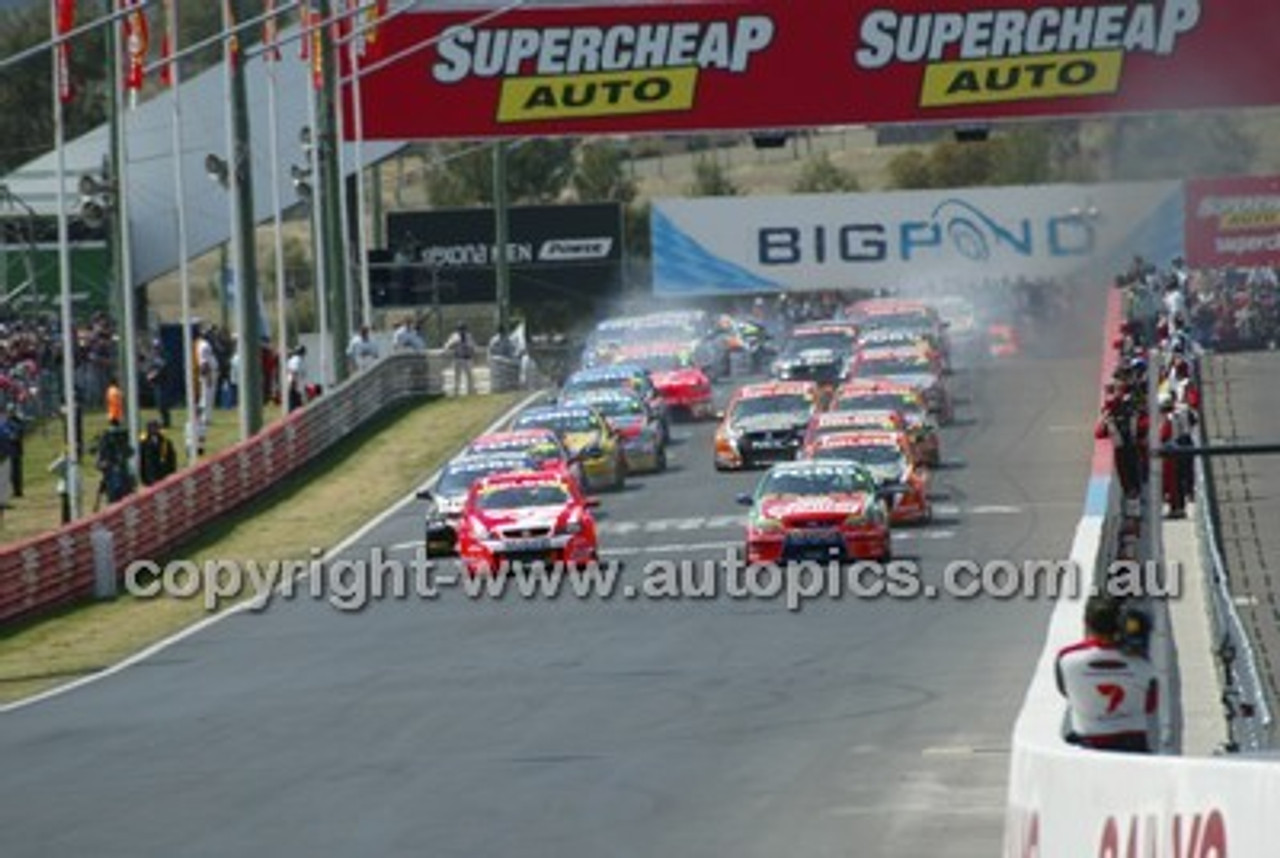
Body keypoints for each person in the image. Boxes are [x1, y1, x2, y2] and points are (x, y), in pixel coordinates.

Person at [1056, 595, 1157, 753]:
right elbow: (1150, 706)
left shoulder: (1066, 658)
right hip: (1134, 744)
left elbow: (1065, 691)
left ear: (1086, 623)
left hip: (1088, 741)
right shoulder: (1143, 664)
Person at [138, 420, 178, 486]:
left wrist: (172, 471)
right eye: (151, 428)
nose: (154, 430)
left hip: (164, 474)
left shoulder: (165, 441)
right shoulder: (144, 443)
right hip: (151, 477)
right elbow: (142, 460)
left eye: (155, 427)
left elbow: (171, 457)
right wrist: (144, 478)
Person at [442, 321, 476, 395]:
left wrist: (470, 349)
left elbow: (473, 347)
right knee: (457, 376)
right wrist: (452, 346)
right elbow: (447, 345)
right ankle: (456, 392)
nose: (462, 331)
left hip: (467, 358)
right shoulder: (455, 336)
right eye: (460, 329)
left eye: (463, 329)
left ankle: (470, 392)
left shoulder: (468, 336)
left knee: (469, 376)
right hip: (458, 358)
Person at [145, 340, 172, 428]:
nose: (156, 349)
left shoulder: (165, 356)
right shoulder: (153, 357)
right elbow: (149, 367)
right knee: (159, 403)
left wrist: (153, 375)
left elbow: (163, 368)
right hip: (156, 383)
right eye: (155, 347)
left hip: (164, 382)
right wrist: (149, 375)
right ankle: (163, 420)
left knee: (163, 403)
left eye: (158, 347)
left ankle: (166, 421)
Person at [286, 345, 308, 412]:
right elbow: (293, 372)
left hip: (295, 386)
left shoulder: (294, 359)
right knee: (295, 407)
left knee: (296, 406)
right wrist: (293, 385)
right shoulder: (297, 360)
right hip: (294, 386)